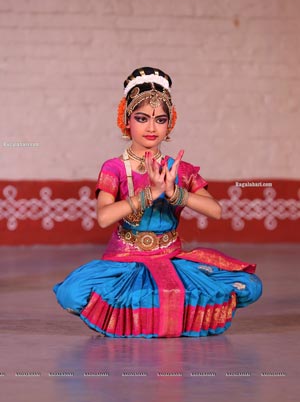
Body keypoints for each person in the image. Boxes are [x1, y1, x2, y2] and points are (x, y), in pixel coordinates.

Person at [53, 66, 262, 338]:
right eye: (142, 118)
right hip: (125, 261)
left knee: (250, 286)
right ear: (126, 120)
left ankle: (147, 315)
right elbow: (104, 217)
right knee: (72, 293)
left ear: (169, 123)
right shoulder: (114, 168)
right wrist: (149, 194)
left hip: (171, 258)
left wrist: (176, 193)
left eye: (160, 120)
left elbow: (216, 210)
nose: (151, 128)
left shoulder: (179, 169)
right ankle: (171, 314)